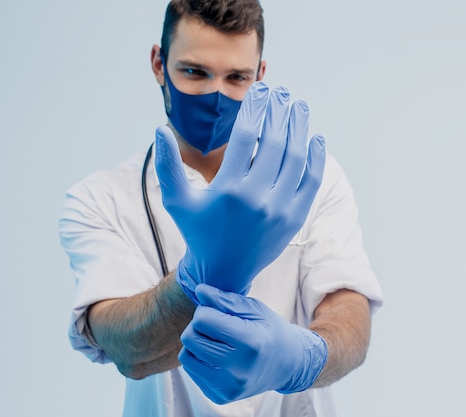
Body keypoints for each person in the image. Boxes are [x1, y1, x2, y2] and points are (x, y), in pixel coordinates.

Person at [59, 0, 383, 416]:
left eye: (236, 77)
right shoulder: (100, 199)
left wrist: (305, 357)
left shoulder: (312, 181)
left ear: (260, 76)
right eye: (194, 72)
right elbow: (122, 345)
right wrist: (197, 278)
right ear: (159, 64)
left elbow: (350, 313)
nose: (216, 96)